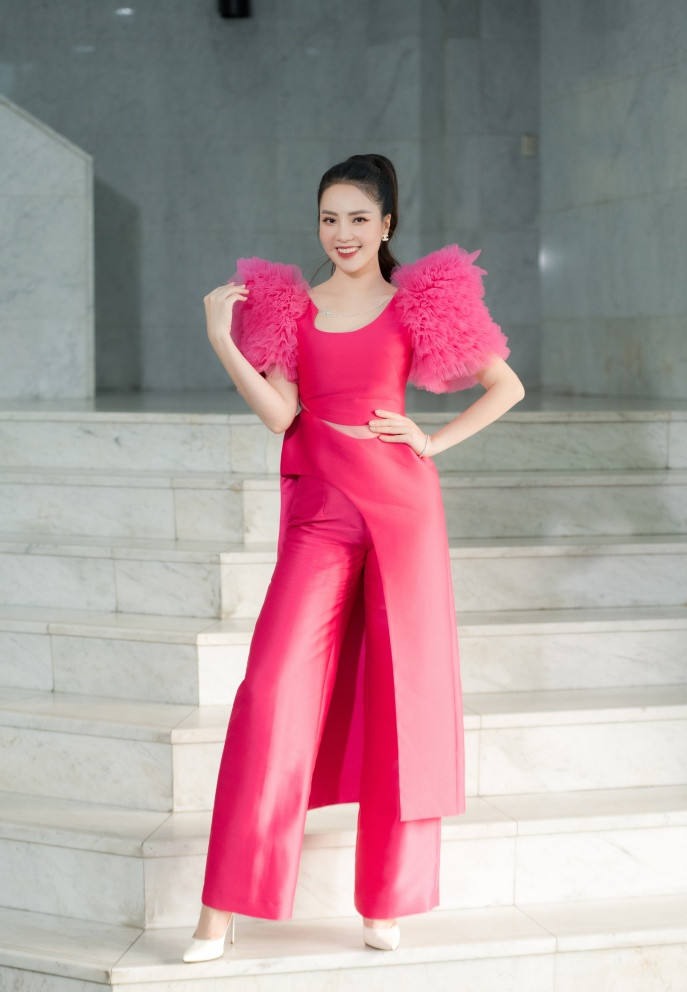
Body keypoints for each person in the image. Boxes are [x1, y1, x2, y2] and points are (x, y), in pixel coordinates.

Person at [183, 153, 525, 962]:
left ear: (386, 225)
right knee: (270, 693)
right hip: (320, 513)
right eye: (329, 219)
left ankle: (386, 901)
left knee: (402, 697)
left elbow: (504, 385)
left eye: (358, 219)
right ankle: (219, 911)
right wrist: (221, 340)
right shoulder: (287, 309)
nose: (342, 234)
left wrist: (430, 441)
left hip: (403, 512)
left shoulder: (418, 304)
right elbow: (280, 416)